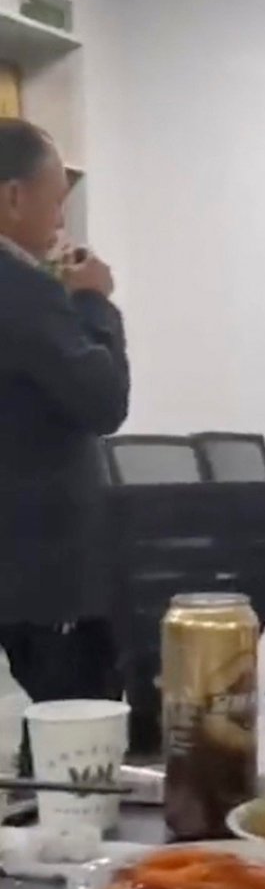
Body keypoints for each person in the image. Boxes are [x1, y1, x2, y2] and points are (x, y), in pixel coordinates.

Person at [0, 117, 129, 706]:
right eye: (55, 204)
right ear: (12, 197)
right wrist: (95, 301)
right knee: (72, 743)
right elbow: (103, 402)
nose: (58, 223)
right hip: (43, 578)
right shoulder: (22, 291)